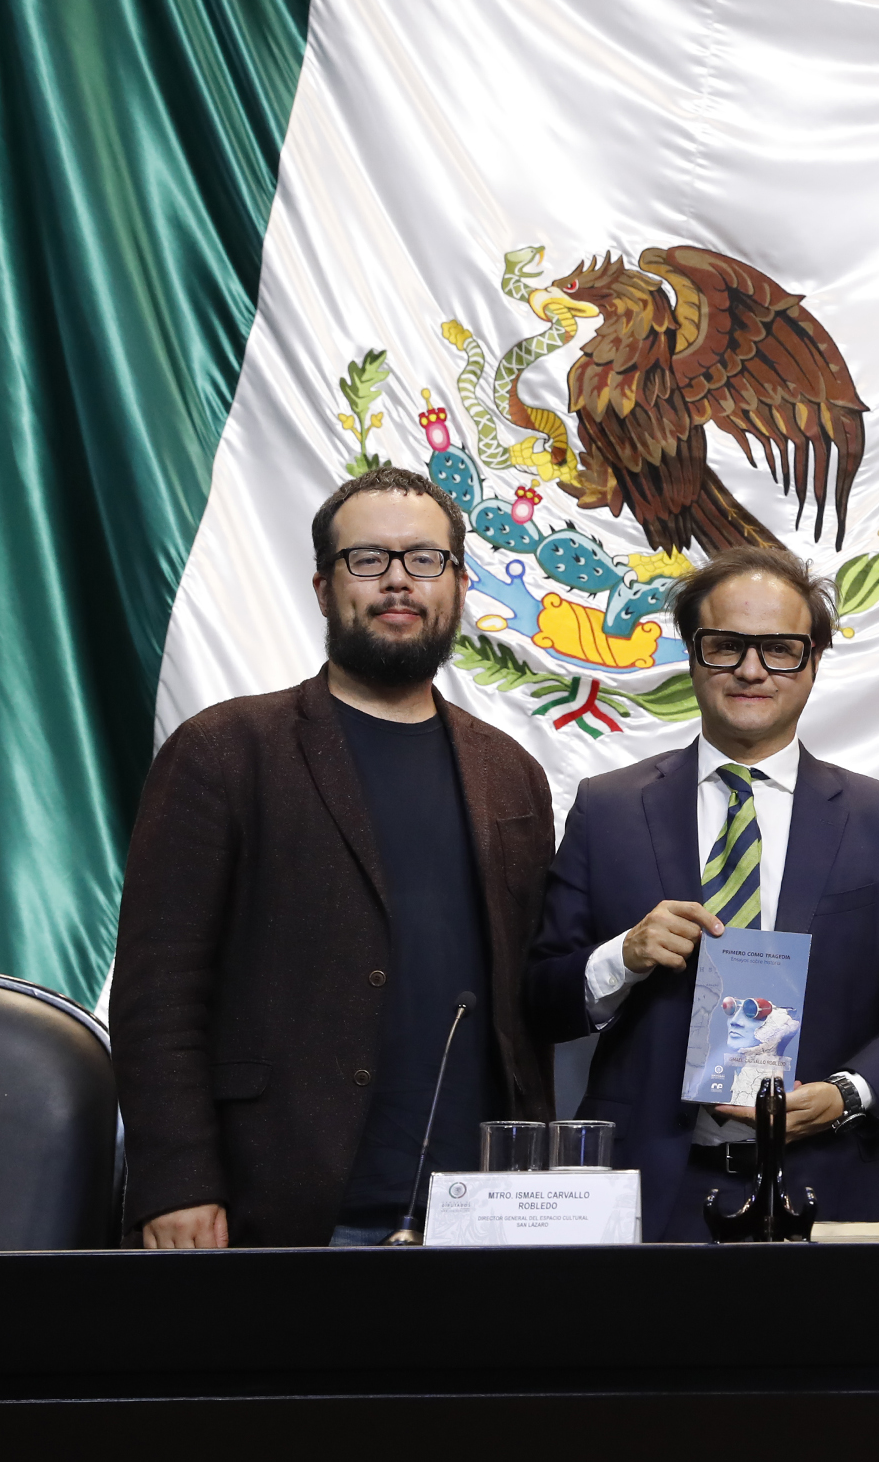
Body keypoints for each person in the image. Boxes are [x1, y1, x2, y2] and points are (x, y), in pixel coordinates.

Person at [115, 468, 555, 1247]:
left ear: (459, 585)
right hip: (279, 1207)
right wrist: (178, 1179)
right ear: (324, 588)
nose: (398, 580)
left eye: (424, 559)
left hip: (486, 1213)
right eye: (367, 559)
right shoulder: (223, 750)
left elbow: (526, 1002)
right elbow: (159, 992)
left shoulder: (512, 773)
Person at [523, 546, 879, 1241]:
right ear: (692, 653)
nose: (752, 669)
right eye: (726, 644)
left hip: (836, 1181)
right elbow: (539, 999)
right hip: (650, 1191)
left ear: (814, 661)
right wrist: (622, 957)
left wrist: (846, 1093)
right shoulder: (608, 809)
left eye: (780, 649)